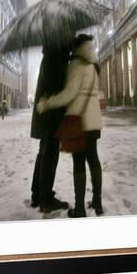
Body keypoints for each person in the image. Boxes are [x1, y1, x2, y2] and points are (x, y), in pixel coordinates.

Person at [37, 34, 103, 218]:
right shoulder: (93, 64)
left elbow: (69, 94)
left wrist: (48, 103)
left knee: (79, 163)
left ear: (78, 47)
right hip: (95, 120)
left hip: (79, 121)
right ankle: (98, 202)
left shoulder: (76, 64)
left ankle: (80, 208)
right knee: (94, 161)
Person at [30, 44, 71, 213]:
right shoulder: (55, 57)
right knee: (49, 155)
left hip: (46, 114)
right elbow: (55, 86)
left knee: (44, 153)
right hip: (51, 115)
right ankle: (45, 199)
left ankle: (37, 194)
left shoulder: (50, 55)